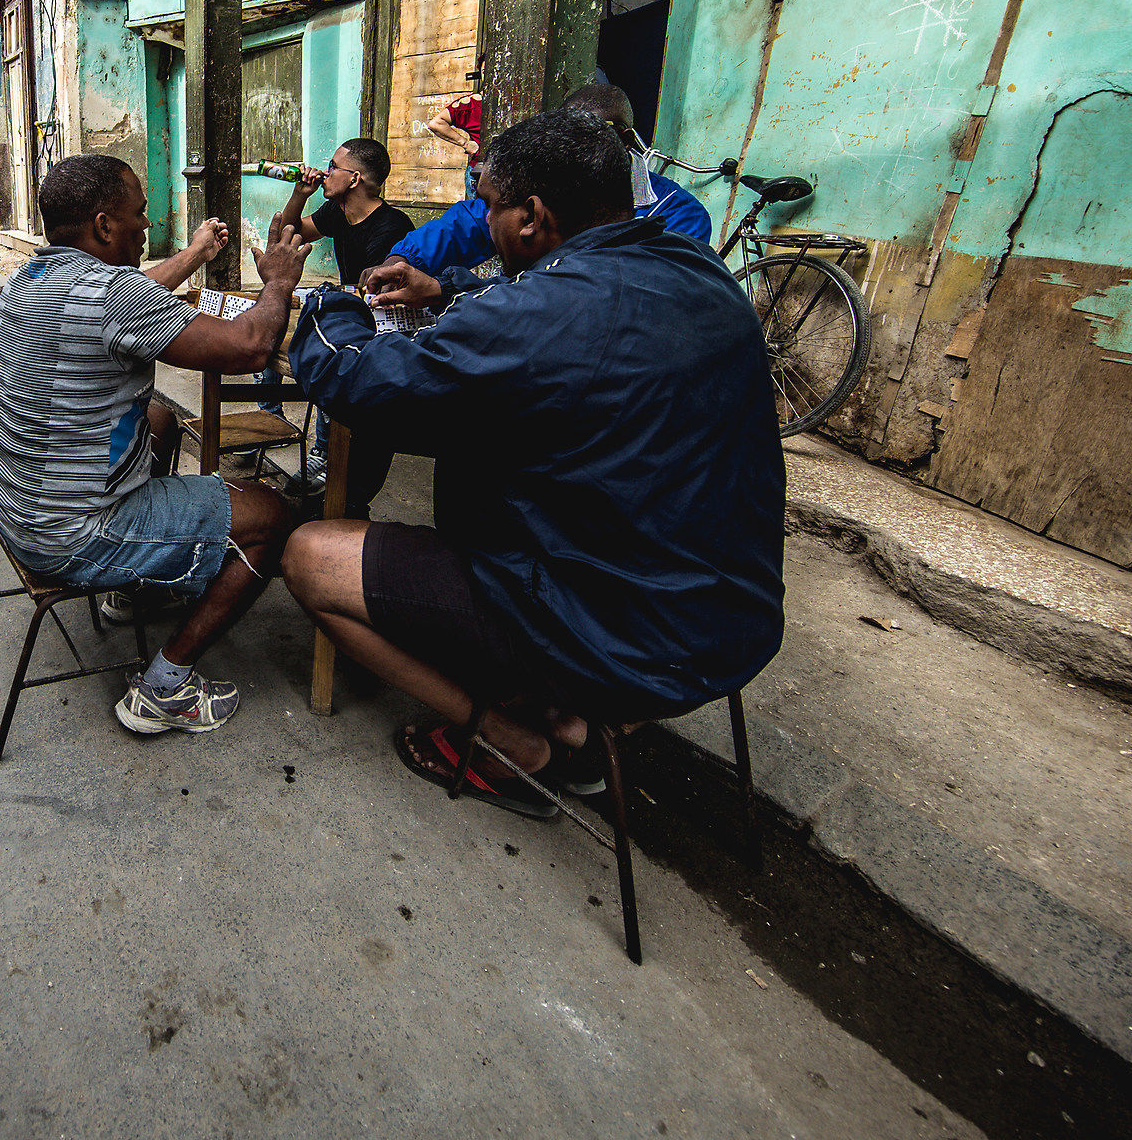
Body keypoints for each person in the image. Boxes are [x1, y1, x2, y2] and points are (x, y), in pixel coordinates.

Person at [278, 109, 785, 815]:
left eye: (488, 207)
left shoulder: (546, 310)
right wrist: (445, 290)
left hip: (621, 638)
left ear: (532, 215)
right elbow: (545, 305)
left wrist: (325, 308)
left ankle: (518, 743)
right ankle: (576, 725)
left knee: (309, 555)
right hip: (730, 626)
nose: (483, 224)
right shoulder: (698, 270)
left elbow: (362, 384)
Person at [0, 154, 311, 736]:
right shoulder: (112, 298)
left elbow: (133, 290)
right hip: (69, 535)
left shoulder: (30, 279)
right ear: (105, 226)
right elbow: (252, 346)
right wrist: (280, 281)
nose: (147, 224)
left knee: (158, 418)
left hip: (19, 509)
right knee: (273, 514)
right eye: (138, 215)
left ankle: (130, 591)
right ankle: (164, 687)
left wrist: (196, 254)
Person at [377, 84, 713, 280]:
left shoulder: (676, 214)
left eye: (595, 137)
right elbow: (470, 222)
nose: (579, 150)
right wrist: (403, 260)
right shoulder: (536, 190)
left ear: (626, 141)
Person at [264, 138, 413, 513]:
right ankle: (322, 453)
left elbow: (374, 289)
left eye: (333, 167)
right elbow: (288, 233)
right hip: (350, 317)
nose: (324, 171)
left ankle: (340, 477)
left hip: (383, 326)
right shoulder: (336, 212)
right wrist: (301, 192)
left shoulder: (392, 227)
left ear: (354, 179)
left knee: (347, 387)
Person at [426, 85, 482, 196]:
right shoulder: (472, 103)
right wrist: (465, 143)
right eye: (484, 71)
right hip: (480, 174)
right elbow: (436, 123)